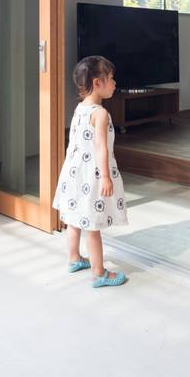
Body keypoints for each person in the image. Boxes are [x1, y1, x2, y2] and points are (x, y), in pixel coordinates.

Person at [53, 55, 129, 287]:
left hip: (75, 173)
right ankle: (99, 273)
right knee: (92, 224)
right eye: (111, 79)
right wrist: (105, 176)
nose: (114, 83)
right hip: (93, 174)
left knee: (74, 219)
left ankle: (74, 258)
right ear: (97, 83)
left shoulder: (80, 108)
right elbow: (100, 147)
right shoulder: (101, 114)